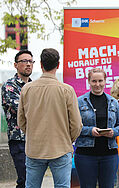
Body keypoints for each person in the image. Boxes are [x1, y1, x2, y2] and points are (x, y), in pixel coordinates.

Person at [17, 48, 83, 188]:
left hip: (34, 148)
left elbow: (21, 121)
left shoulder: (27, 89)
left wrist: (33, 134)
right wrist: (67, 139)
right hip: (60, 148)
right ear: (58, 64)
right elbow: (77, 124)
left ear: (41, 64)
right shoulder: (67, 90)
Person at [74, 68, 119, 188]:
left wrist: (114, 132)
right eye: (94, 81)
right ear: (89, 81)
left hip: (109, 155)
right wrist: (89, 131)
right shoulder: (79, 102)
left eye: (100, 81)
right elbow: (74, 127)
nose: (97, 84)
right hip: (85, 155)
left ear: (105, 81)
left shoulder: (113, 102)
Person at [1, 50, 34, 188]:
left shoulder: (35, 86)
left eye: (30, 61)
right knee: (24, 179)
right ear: (16, 65)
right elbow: (22, 109)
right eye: (24, 61)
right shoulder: (9, 86)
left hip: (35, 139)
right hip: (19, 140)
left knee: (33, 180)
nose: (28, 64)